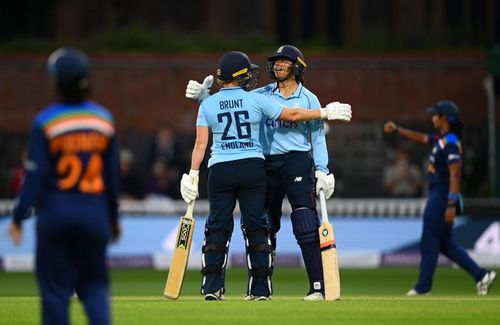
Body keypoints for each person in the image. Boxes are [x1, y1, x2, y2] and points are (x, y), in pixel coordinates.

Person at [180, 50, 350, 301]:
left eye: (285, 61)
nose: (278, 65)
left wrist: (322, 168)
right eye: (276, 61)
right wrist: (326, 112)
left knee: (296, 224)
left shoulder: (307, 98)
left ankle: (316, 286)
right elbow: (277, 111)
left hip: (279, 163)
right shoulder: (259, 97)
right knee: (261, 226)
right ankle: (260, 289)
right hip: (260, 165)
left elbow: (201, 142)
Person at [8, 47, 121, 324]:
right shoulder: (103, 120)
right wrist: (113, 218)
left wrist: (19, 217)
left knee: (56, 291)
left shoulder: (46, 121)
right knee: (94, 287)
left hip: (55, 216)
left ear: (56, 82)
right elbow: (111, 177)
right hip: (93, 216)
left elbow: (34, 177)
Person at [384, 100, 496, 296]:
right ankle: (481, 275)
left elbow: (455, 174)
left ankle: (422, 287)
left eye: (436, 115)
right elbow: (421, 138)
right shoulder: (442, 139)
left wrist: (451, 204)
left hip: (442, 195)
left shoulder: (451, 142)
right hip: (439, 193)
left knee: (429, 239)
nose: (433, 117)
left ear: (445, 119)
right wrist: (398, 130)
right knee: (445, 243)